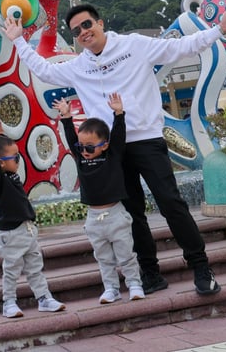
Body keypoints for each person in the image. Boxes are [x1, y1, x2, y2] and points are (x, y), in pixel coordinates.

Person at [5, 1, 226, 297]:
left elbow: (182, 47)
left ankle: (201, 267)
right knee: (132, 214)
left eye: (87, 25)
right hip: (113, 150)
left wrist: (218, 30)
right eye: (76, 31)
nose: (83, 32)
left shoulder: (135, 45)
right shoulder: (78, 66)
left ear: (100, 23)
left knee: (171, 203)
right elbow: (44, 70)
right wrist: (18, 40)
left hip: (147, 139)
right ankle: (150, 273)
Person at [0, 123, 66, 318]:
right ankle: (9, 302)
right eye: (16, 158)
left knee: (35, 269)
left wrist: (1, 135)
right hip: (11, 233)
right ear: (1, 162)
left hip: (27, 229)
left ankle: (44, 298)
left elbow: (5, 153)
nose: (19, 161)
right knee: (11, 270)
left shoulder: (11, 174)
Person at [53, 92, 143, 304]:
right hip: (93, 217)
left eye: (90, 147)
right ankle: (111, 288)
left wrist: (118, 113)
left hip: (116, 214)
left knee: (126, 254)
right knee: (103, 257)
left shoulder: (112, 156)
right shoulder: (81, 160)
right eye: (81, 147)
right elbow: (71, 138)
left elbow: (119, 137)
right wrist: (66, 116)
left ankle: (134, 284)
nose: (84, 151)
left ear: (104, 145)